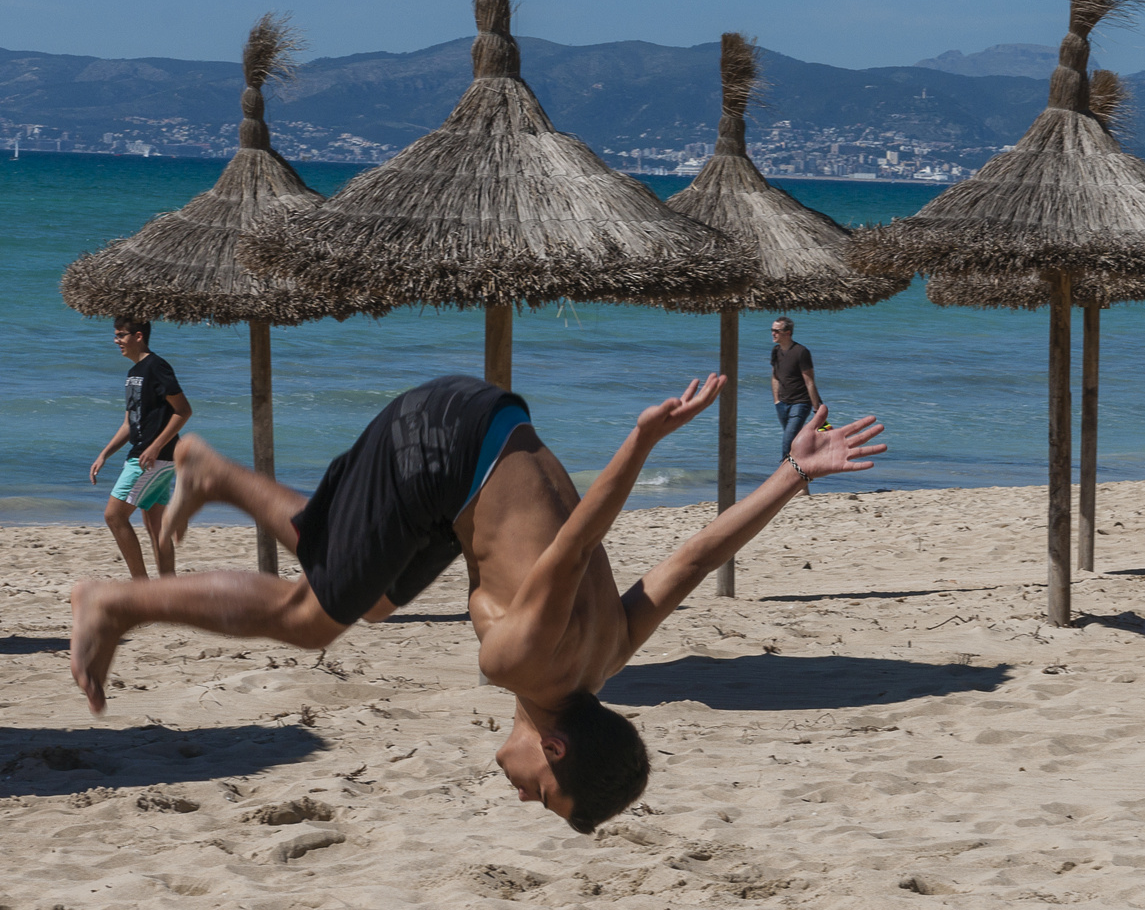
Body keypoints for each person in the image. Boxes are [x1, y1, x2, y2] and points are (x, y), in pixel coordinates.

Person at [69, 373, 884, 833]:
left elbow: (693, 558)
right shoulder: (524, 662)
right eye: (541, 792)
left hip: (473, 455)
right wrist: (640, 442)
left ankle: (214, 474)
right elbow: (570, 549)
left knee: (371, 598)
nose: (522, 792)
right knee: (309, 617)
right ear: (556, 752)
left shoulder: (609, 655)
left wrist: (791, 476)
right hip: (448, 443)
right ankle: (116, 603)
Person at [87, 317, 193, 579]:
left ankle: (141, 586)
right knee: (156, 525)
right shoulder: (133, 372)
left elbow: (183, 411)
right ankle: (169, 592)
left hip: (154, 457)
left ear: (138, 336)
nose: (116, 341)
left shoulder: (156, 367)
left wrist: (156, 447)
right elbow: (129, 423)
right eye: (115, 335)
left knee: (114, 516)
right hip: (145, 454)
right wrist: (105, 454)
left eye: (121, 335)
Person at [770, 317, 821, 460]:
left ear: (787, 333)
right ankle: (801, 477)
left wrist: (817, 409)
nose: (773, 333)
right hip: (782, 404)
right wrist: (776, 400)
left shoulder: (801, 352)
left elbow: (809, 381)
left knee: (788, 442)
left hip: (800, 402)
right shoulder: (775, 351)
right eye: (772, 330)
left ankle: (784, 474)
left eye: (776, 331)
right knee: (793, 441)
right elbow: (775, 376)